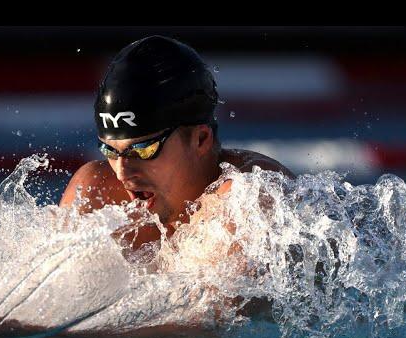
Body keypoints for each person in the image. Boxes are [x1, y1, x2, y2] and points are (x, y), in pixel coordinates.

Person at [59, 35, 294, 251]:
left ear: (200, 139)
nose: (122, 172)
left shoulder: (248, 198)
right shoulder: (95, 192)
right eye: (110, 150)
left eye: (143, 149)